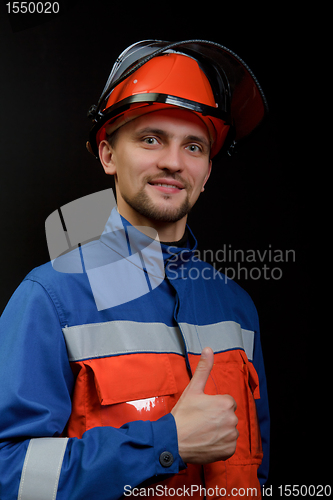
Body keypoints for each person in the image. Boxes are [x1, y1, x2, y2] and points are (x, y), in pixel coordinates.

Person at [0, 39, 270, 499]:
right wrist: (165, 444)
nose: (172, 161)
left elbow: (256, 471)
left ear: (206, 174)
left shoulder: (237, 308)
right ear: (108, 156)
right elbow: (9, 475)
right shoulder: (49, 299)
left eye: (194, 146)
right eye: (151, 139)